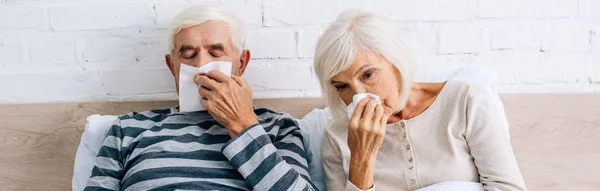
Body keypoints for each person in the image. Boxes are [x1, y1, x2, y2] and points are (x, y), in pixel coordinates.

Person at [84, 5, 316, 191]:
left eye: (216, 53)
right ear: (171, 66)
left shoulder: (278, 127)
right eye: (188, 54)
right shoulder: (128, 129)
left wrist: (242, 123)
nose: (202, 65)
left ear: (241, 63)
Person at [313, 10, 527, 191]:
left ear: (395, 63)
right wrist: (362, 159)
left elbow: (507, 186)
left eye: (368, 75)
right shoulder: (337, 137)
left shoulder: (465, 100)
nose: (359, 96)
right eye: (342, 87)